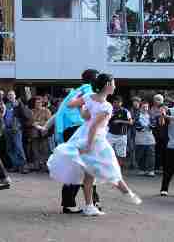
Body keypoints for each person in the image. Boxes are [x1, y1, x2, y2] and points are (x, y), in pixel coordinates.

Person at [47, 73, 142, 217]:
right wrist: (89, 146)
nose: (115, 86)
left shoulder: (89, 97)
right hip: (95, 139)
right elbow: (94, 127)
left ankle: (90, 206)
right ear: (108, 85)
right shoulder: (106, 106)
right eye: (114, 83)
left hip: (82, 135)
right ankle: (128, 194)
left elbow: (78, 110)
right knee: (111, 168)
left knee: (89, 175)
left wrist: (79, 98)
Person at [44, 69, 101, 214]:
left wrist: (46, 127)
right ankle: (90, 202)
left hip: (71, 129)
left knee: (79, 166)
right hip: (79, 129)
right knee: (85, 166)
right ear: (95, 79)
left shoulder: (76, 91)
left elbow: (60, 111)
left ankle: (76, 202)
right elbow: (87, 110)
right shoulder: (89, 91)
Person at [107, 95, 132, 166]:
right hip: (110, 134)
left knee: (121, 154)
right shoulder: (110, 110)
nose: (116, 104)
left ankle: (119, 168)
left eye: (118, 102)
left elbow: (131, 122)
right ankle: (110, 166)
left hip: (122, 135)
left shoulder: (125, 111)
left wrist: (119, 121)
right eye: (114, 102)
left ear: (121, 103)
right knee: (108, 151)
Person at [134, 101, 156, 177]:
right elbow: (136, 126)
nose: (145, 109)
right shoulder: (137, 116)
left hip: (150, 138)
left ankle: (151, 170)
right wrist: (144, 127)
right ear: (140, 108)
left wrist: (148, 127)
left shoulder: (151, 115)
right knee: (140, 155)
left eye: (146, 107)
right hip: (140, 138)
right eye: (143, 107)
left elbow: (153, 125)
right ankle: (142, 169)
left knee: (151, 155)